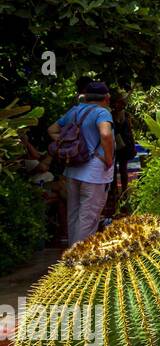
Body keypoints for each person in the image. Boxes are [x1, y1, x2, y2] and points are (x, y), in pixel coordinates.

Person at [55, 81, 114, 245]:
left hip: (72, 171)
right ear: (107, 97)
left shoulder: (73, 112)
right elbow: (106, 134)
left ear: (85, 97)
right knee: (88, 217)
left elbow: (52, 130)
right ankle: (79, 261)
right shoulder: (102, 113)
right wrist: (108, 159)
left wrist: (71, 146)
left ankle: (70, 256)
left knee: (73, 214)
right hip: (94, 173)